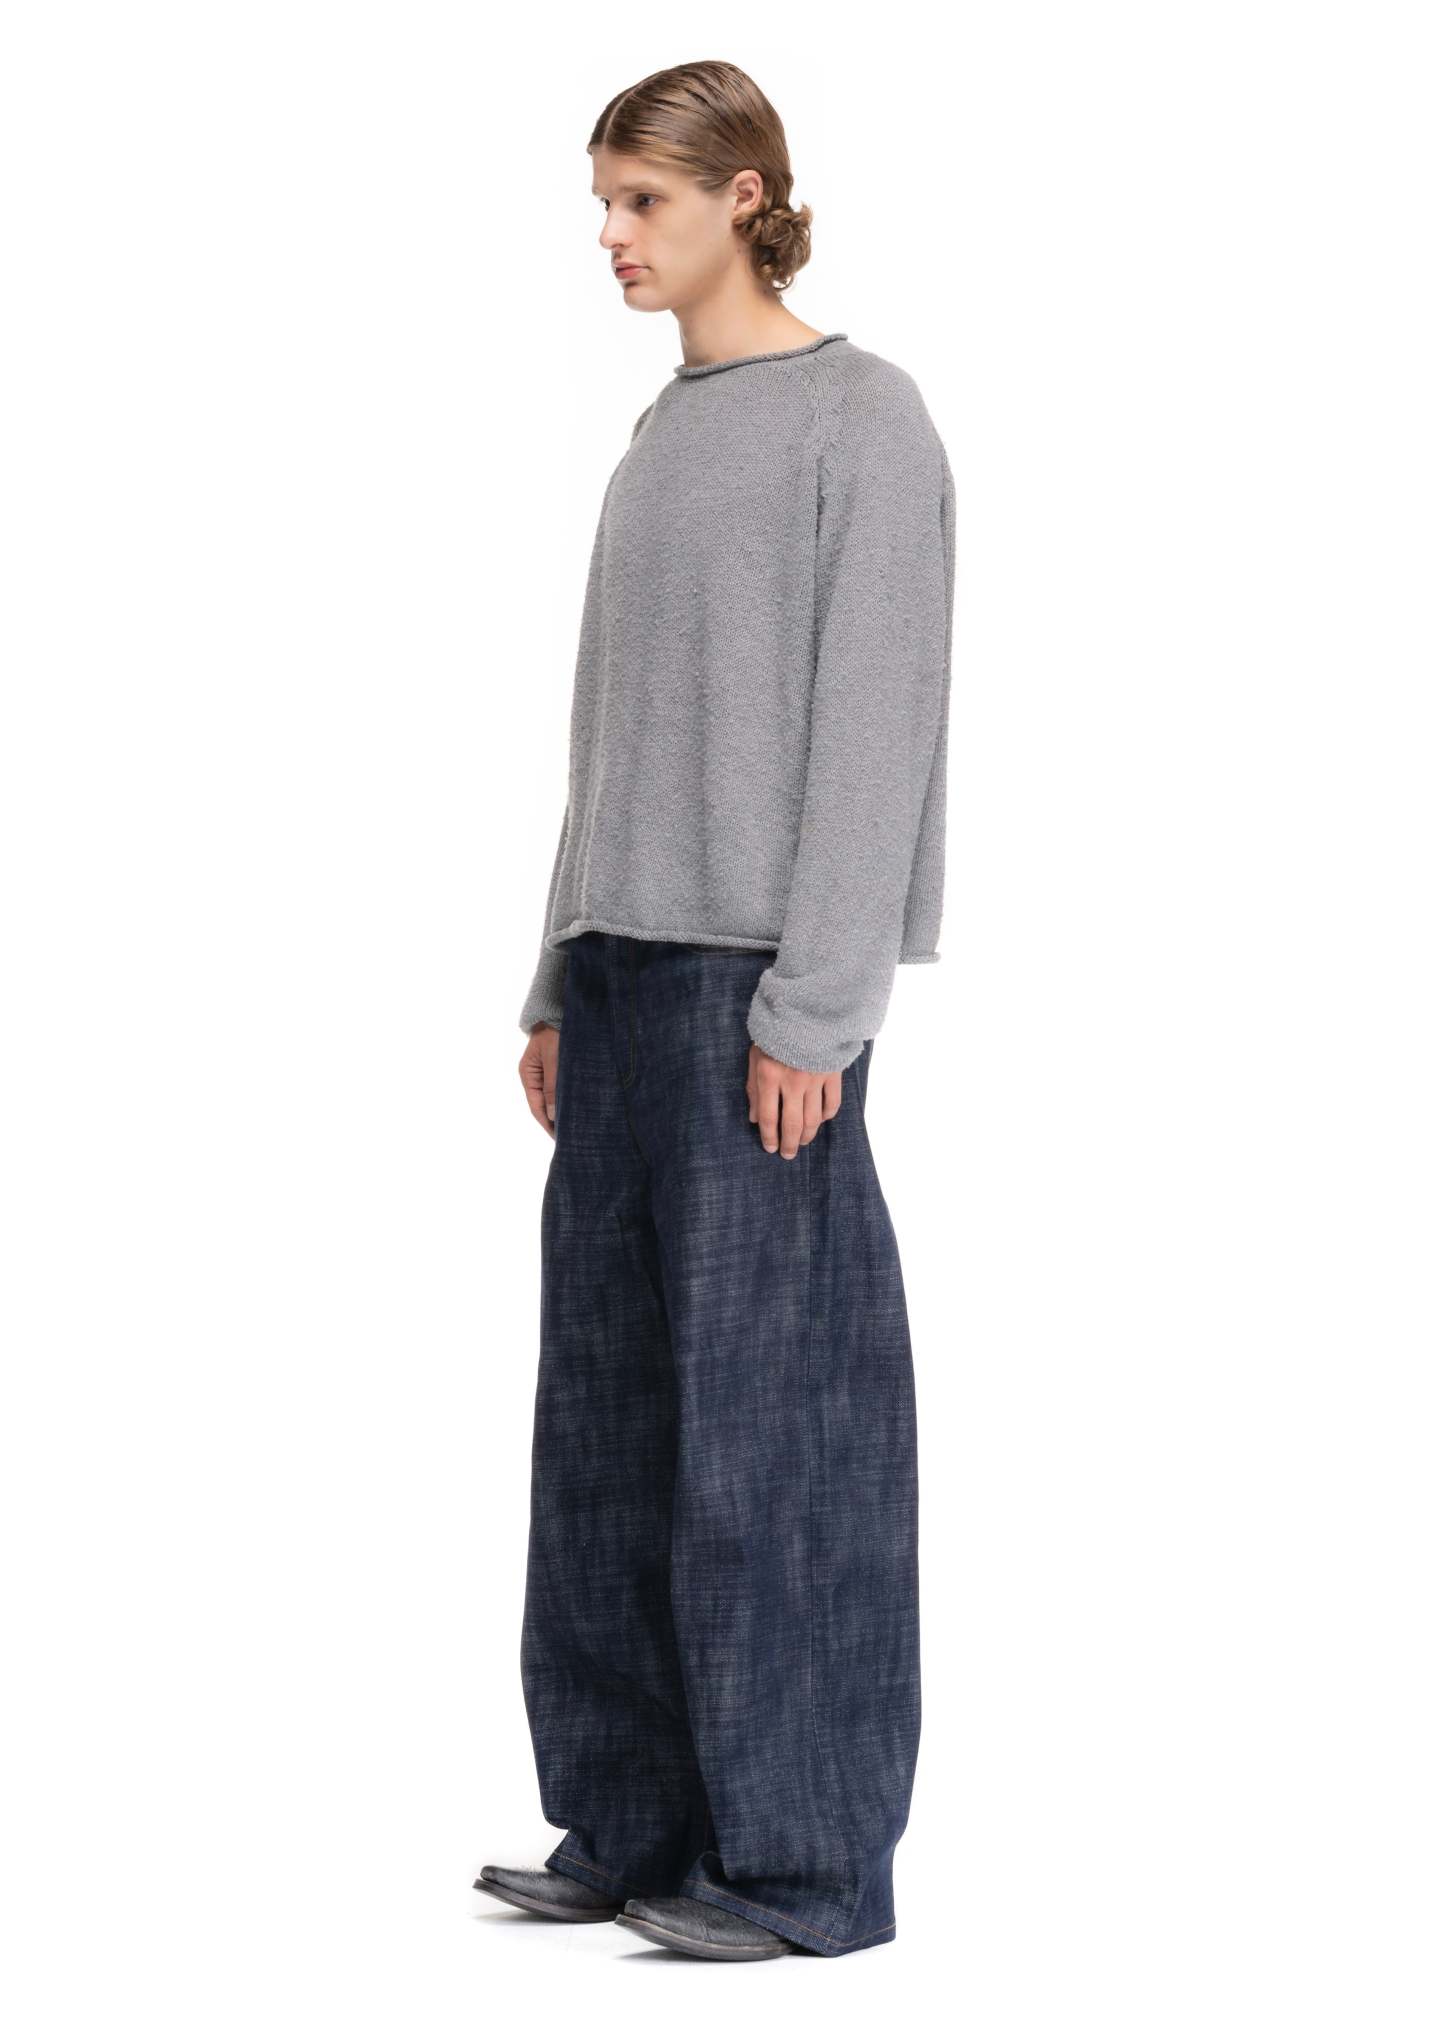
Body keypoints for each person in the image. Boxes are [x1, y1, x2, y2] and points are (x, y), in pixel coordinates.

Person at [476, 60, 955, 1963]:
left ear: (745, 197)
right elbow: (607, 730)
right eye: (604, 202)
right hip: (619, 979)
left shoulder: (860, 420)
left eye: (643, 203)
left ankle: (804, 1865)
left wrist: (816, 1010)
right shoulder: (661, 432)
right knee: (605, 1426)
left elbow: (875, 735)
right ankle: (632, 1820)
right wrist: (555, 968)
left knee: (781, 1436)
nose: (610, 236)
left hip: (758, 989)